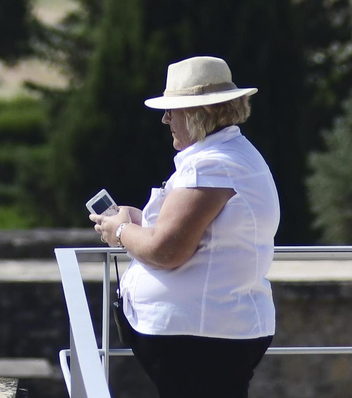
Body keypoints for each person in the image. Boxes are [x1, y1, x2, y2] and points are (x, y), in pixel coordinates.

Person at [88, 55, 279, 398]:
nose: (165, 119)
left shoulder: (211, 165)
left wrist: (120, 231)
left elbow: (167, 250)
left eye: (171, 111)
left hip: (202, 335)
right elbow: (195, 231)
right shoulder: (230, 156)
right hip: (211, 331)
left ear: (196, 114)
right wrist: (137, 220)